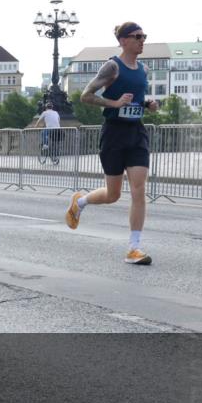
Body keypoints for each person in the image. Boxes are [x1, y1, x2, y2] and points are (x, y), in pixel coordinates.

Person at [66, 21, 159, 264]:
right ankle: (81, 201)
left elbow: (137, 100)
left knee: (139, 190)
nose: (142, 40)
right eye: (137, 36)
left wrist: (148, 105)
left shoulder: (144, 69)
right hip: (114, 134)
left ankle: (133, 248)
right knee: (113, 194)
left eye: (143, 36)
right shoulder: (112, 67)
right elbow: (86, 95)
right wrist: (114, 103)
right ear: (123, 41)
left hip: (136, 132)